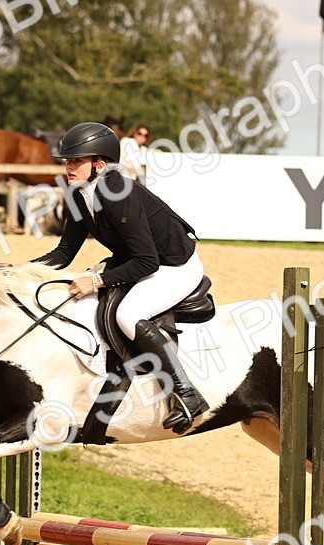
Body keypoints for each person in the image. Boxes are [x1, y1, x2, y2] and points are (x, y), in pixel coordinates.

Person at [31, 122, 209, 433]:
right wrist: (20, 273)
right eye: (67, 161)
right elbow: (63, 253)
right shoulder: (78, 195)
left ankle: (186, 394)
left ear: (98, 164)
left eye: (76, 161)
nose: (68, 167)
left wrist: (97, 281)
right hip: (137, 260)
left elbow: (148, 261)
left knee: (129, 314)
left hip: (175, 266)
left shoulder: (118, 194)